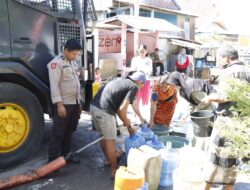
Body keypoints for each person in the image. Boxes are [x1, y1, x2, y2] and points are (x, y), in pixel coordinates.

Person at [202, 45, 250, 190]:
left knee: (215, 157)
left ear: (227, 58)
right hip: (241, 122)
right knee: (232, 158)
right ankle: (228, 187)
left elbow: (223, 97)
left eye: (220, 58)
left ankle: (207, 187)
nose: (219, 61)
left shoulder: (228, 72)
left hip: (226, 122)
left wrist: (209, 98)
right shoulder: (247, 71)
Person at [90, 71, 147, 178]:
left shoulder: (122, 81)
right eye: (142, 85)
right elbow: (121, 110)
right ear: (139, 82)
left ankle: (108, 159)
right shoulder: (133, 87)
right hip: (105, 110)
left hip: (93, 107)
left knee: (103, 137)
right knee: (110, 140)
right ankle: (114, 170)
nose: (141, 88)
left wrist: (141, 118)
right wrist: (128, 125)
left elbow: (133, 103)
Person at [47, 39, 82, 163]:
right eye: (74, 53)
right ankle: (52, 161)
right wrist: (59, 105)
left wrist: (79, 103)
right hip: (64, 104)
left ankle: (66, 156)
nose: (75, 56)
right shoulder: (56, 64)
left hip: (74, 103)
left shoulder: (72, 63)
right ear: (66, 50)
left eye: (77, 54)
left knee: (69, 130)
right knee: (58, 132)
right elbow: (54, 85)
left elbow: (76, 83)